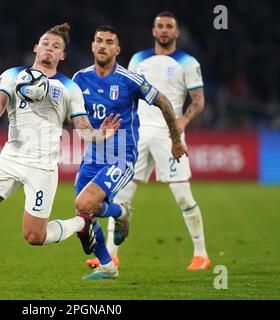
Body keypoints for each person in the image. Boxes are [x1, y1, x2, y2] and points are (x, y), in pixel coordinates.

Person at [0, 23, 121, 288]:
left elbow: (82, 130)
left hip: (42, 166)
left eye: (56, 47)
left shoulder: (69, 88)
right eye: (45, 43)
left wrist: (101, 134)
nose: (49, 49)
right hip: (10, 158)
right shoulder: (12, 75)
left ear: (61, 56)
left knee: (34, 236)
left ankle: (80, 224)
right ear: (36, 47)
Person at [86, 12, 211, 271]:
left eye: (169, 27)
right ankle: (110, 254)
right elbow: (124, 93)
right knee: (120, 194)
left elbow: (198, 100)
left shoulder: (187, 62)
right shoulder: (138, 59)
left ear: (176, 33)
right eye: (160, 26)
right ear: (153, 31)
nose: (164, 30)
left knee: (183, 196)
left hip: (169, 135)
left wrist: (182, 123)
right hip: (138, 135)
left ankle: (201, 255)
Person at [72, 25, 187, 280]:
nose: (103, 45)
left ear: (117, 49)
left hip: (121, 156)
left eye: (109, 42)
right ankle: (108, 265)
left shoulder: (128, 79)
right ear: (92, 46)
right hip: (93, 155)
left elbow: (163, 102)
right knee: (85, 211)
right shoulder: (79, 79)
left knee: (84, 203)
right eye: (98, 40)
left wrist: (175, 139)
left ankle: (120, 213)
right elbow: (73, 116)